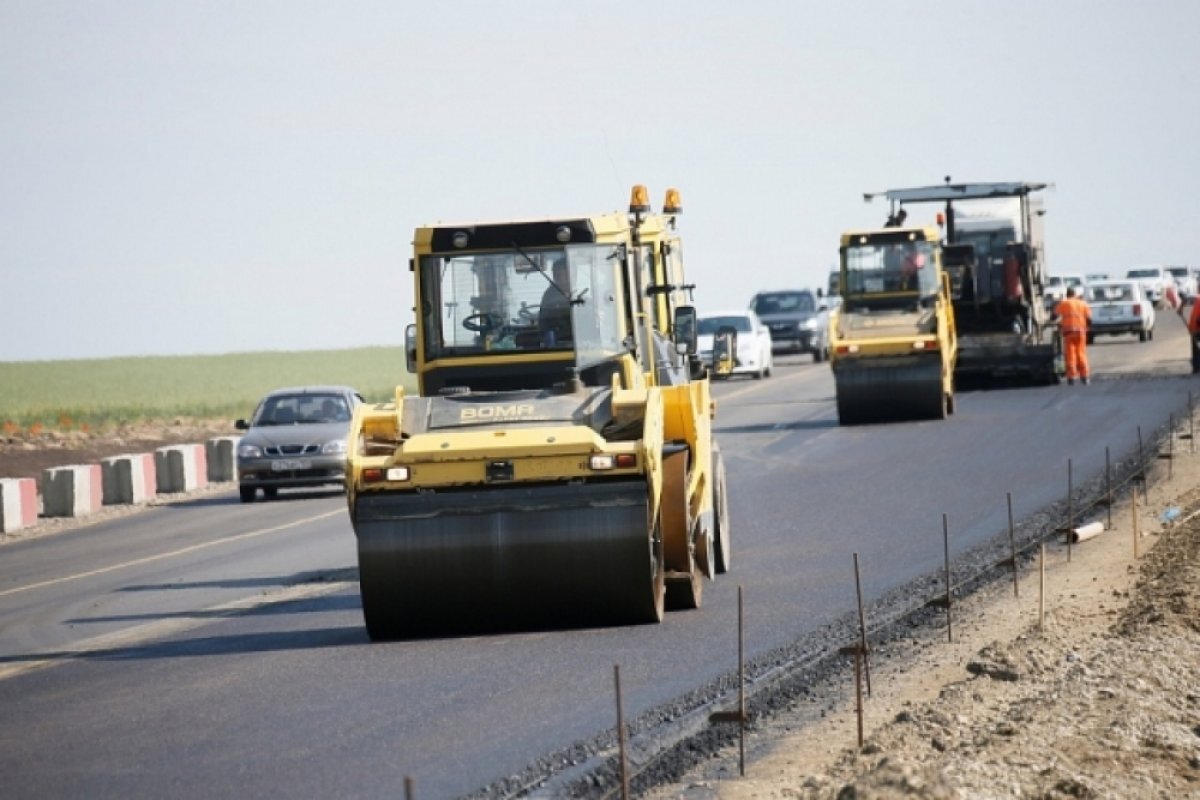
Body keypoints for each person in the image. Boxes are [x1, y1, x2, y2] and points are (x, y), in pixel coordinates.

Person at [1054, 286, 1092, 385]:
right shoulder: (1083, 304)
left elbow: (1054, 315)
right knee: (1081, 354)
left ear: (1067, 295)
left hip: (1068, 333)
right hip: (1081, 333)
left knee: (1070, 355)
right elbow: (1089, 320)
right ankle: (1084, 377)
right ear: (1075, 294)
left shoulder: (1064, 303)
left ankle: (1071, 377)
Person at [538, 258, 572, 344]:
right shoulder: (550, 296)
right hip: (558, 341)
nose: (559, 278)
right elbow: (544, 322)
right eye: (556, 274)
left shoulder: (578, 291)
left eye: (561, 274)